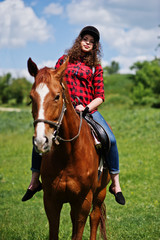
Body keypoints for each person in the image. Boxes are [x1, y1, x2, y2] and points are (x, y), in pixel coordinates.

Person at [22, 26, 125, 205]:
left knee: (110, 139)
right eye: (85, 39)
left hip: (88, 111)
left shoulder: (95, 67)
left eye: (92, 42)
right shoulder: (64, 60)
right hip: (64, 109)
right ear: (79, 40)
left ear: (95, 46)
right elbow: (53, 82)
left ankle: (115, 184)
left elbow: (100, 95)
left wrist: (85, 108)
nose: (88, 43)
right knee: (41, 137)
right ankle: (34, 180)